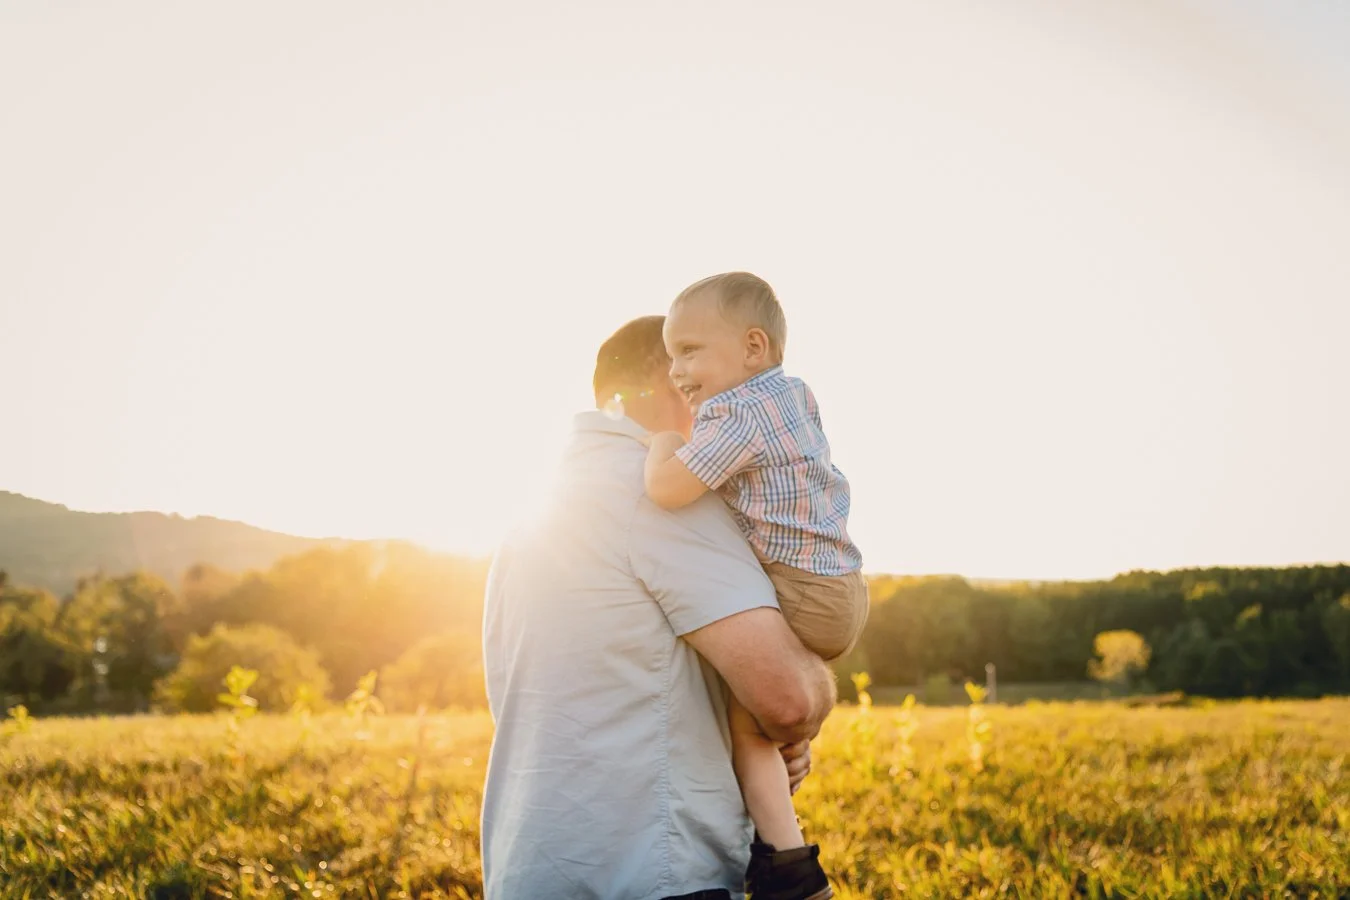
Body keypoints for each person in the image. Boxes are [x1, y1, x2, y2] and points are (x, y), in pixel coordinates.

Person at [480, 315, 837, 900]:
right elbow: (789, 699)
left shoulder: (528, 523)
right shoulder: (657, 495)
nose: (725, 410)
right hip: (652, 873)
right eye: (713, 391)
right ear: (675, 381)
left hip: (531, 867)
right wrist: (809, 695)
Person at [644, 273, 867, 900]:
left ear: (753, 347)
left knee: (750, 728)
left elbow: (668, 490)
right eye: (669, 355)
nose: (676, 372)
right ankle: (773, 826)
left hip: (802, 590)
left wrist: (663, 442)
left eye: (689, 351)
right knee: (767, 725)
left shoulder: (735, 414)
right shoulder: (791, 395)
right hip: (839, 583)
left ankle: (787, 866)